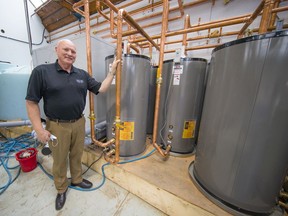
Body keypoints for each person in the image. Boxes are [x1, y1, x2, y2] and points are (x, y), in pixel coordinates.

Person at [25, 39, 120, 211]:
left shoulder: (81, 75)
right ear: (57, 50)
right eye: (66, 50)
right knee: (60, 160)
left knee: (77, 154)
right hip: (57, 126)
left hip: (78, 122)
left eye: (73, 51)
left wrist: (111, 72)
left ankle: (76, 179)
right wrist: (39, 129)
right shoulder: (42, 72)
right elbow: (31, 102)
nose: (70, 54)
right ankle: (61, 189)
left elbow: (101, 89)